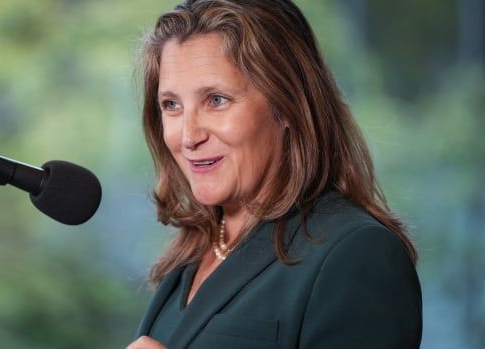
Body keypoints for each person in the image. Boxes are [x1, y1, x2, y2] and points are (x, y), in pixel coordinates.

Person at [127, 0, 422, 348]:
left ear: (287, 107)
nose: (189, 136)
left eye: (217, 100)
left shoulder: (356, 253)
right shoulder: (191, 256)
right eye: (171, 105)